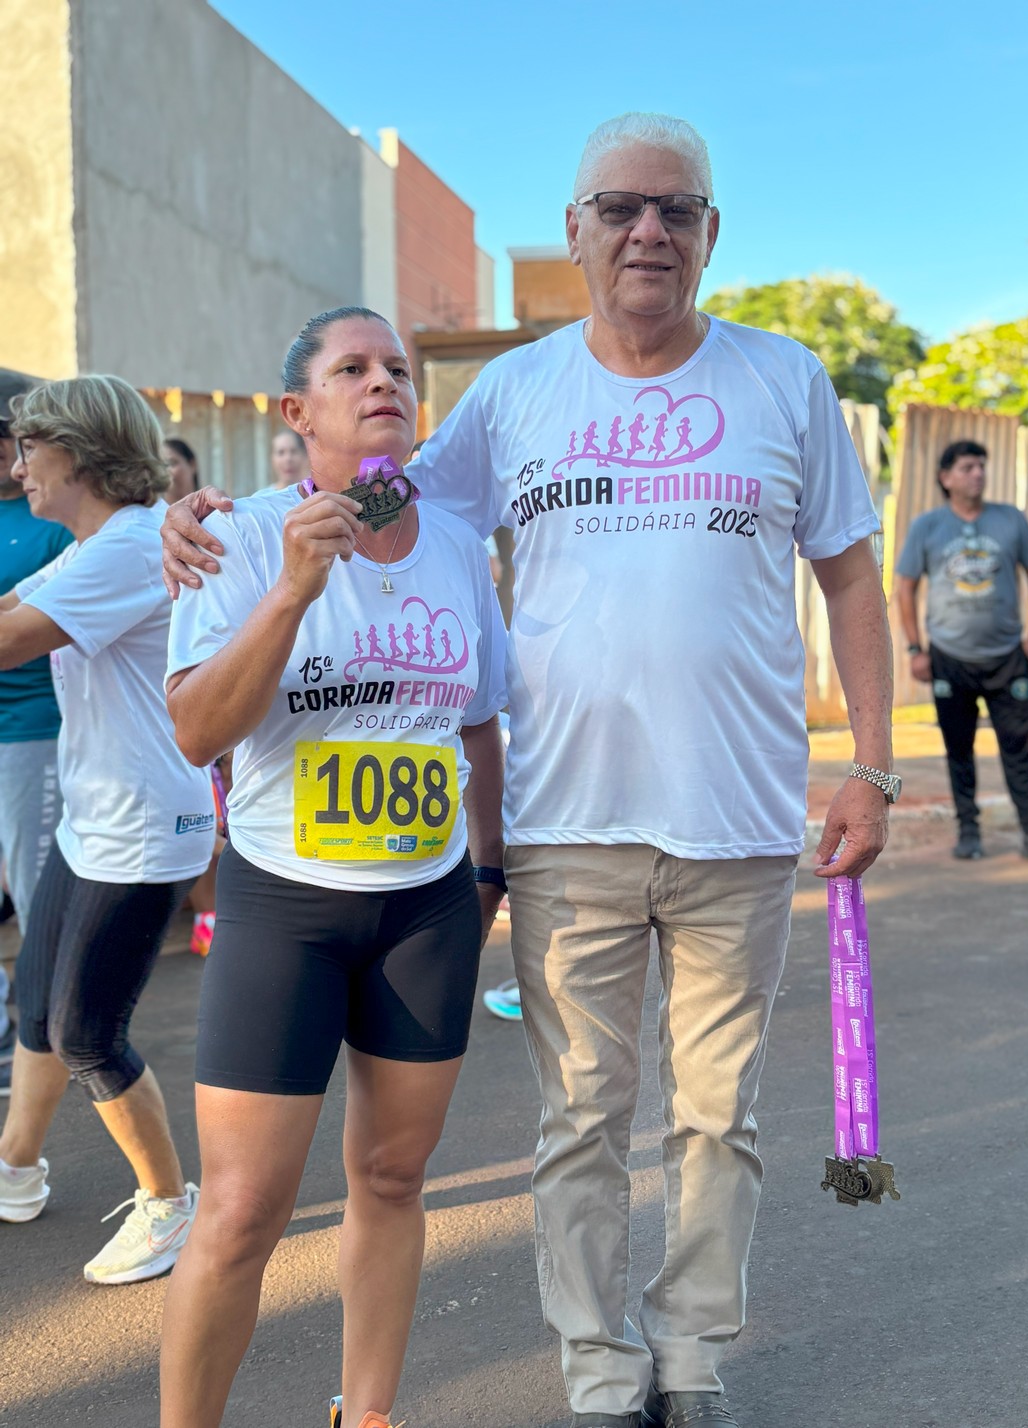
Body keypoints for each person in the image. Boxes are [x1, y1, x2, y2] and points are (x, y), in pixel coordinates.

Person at [161, 115, 894, 1428]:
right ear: (575, 233)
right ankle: (599, 1371)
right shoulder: (512, 395)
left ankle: (687, 1356)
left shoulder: (783, 384)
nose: (646, 232)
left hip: (735, 826)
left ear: (710, 233)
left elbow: (845, 571)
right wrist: (216, 511)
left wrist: (875, 771)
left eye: (675, 210)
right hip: (566, 830)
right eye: (616, 208)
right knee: (580, 1128)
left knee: (714, 1123)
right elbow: (384, 497)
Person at [159, 305, 507, 1428]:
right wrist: (292, 589)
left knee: (396, 1180)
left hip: (427, 909)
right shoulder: (238, 535)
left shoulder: (456, 544)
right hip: (287, 907)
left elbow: (482, 722)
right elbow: (197, 732)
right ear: (295, 412)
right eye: (352, 368)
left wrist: (489, 874)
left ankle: (368, 1416)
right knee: (244, 1210)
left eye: (398, 368)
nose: (385, 383)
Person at [0, 375, 214, 1284]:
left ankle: (171, 1204)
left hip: (145, 830)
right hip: (98, 820)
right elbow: (11, 613)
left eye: (28, 450)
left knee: (89, 1032)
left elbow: (8, 642)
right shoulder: (92, 544)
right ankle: (14, 1165)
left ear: (77, 456)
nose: (18, 467)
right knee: (37, 1005)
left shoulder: (126, 550)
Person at [896, 438, 1028, 863]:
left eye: (981, 466)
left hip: (1007, 656)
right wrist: (916, 647)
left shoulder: (1011, 521)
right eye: (968, 467)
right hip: (950, 657)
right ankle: (968, 832)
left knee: (1018, 748)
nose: (978, 474)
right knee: (959, 749)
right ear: (945, 477)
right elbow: (905, 587)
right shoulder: (928, 527)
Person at [0, 370, 72, 1096]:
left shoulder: (55, 520)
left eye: (13, 438)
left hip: (30, 730)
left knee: (32, 893)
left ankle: (44, 1040)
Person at [163, 436, 201, 504]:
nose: (165, 471)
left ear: (192, 465)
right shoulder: (151, 512)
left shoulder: (213, 510)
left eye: (171, 463)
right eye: (160, 465)